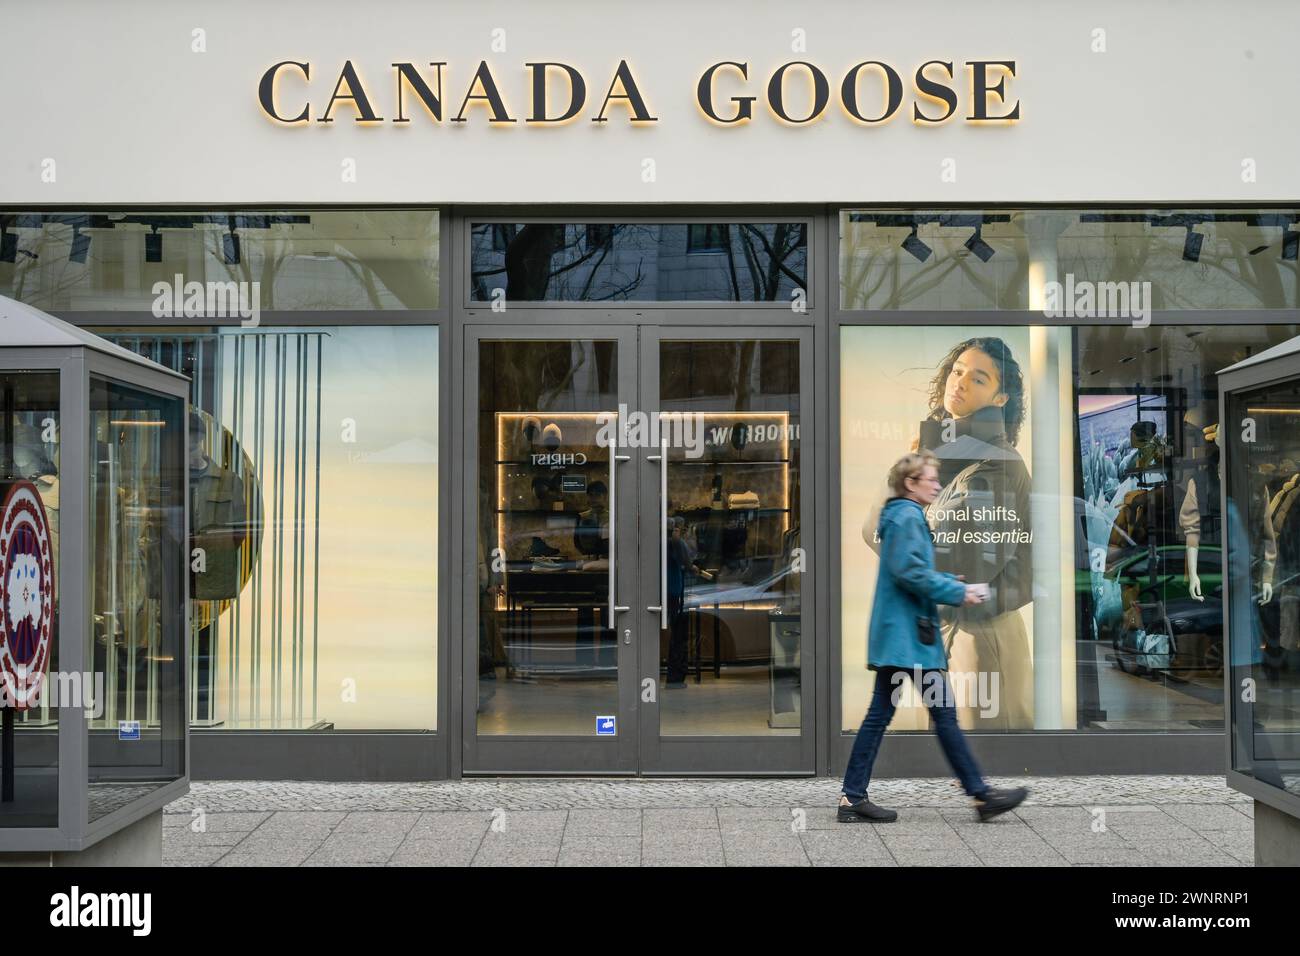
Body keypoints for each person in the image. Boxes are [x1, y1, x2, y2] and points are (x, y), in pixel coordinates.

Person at [839, 452, 1028, 823]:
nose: (938, 485)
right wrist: (959, 592)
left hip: (904, 639)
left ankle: (853, 797)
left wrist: (945, 583)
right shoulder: (908, 516)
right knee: (938, 716)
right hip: (908, 642)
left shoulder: (901, 515)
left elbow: (911, 571)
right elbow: (910, 573)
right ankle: (980, 795)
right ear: (911, 483)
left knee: (894, 716)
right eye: (930, 479)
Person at [919, 337, 1033, 729]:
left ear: (1001, 399)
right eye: (957, 371)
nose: (960, 383)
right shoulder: (951, 459)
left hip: (979, 636)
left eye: (978, 378)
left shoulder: (998, 465)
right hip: (950, 630)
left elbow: (962, 562)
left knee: (985, 761)